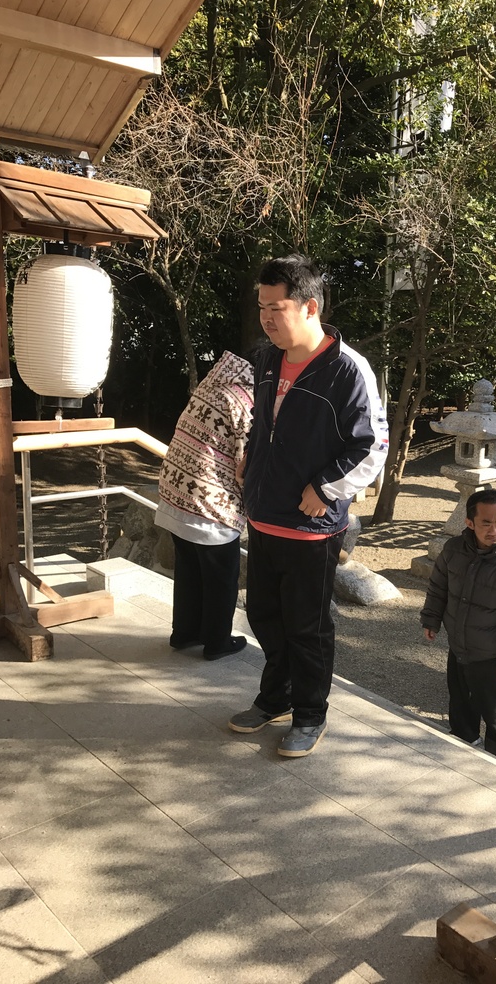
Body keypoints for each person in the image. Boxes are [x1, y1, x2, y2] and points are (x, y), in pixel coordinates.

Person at [228, 254, 388, 758]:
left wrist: (325, 488)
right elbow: (266, 423)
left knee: (307, 626)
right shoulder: (267, 359)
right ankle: (275, 697)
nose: (266, 318)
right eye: (261, 307)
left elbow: (372, 446)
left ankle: (310, 714)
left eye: (275, 308)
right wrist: (250, 457)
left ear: (310, 306)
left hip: (311, 526)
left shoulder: (347, 369)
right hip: (264, 514)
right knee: (263, 615)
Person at [421, 489, 496, 760]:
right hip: (459, 644)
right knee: (460, 699)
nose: (494, 531)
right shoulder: (453, 550)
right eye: (486, 523)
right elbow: (439, 587)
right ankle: (464, 739)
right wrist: (431, 618)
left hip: (494, 655)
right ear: (469, 522)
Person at [155, 350, 254, 661]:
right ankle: (217, 642)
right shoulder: (244, 400)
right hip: (210, 502)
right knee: (221, 576)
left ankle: (184, 633)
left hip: (177, 492)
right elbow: (247, 460)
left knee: (189, 569)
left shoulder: (211, 385)